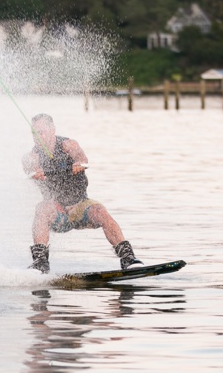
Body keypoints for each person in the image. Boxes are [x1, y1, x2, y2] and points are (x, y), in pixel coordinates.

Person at [22, 113, 142, 274]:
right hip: (57, 212)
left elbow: (81, 156)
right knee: (41, 209)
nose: (37, 137)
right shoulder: (33, 156)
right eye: (34, 133)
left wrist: (78, 163)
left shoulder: (68, 145)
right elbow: (30, 166)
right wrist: (35, 171)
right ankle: (40, 263)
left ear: (52, 130)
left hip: (80, 206)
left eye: (41, 132)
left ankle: (128, 258)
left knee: (100, 211)